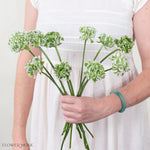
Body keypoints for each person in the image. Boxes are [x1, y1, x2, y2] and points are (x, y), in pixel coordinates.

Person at [12, 0, 150, 150]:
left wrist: (107, 104)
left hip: (116, 124)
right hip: (53, 124)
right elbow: (29, 56)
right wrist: (18, 134)